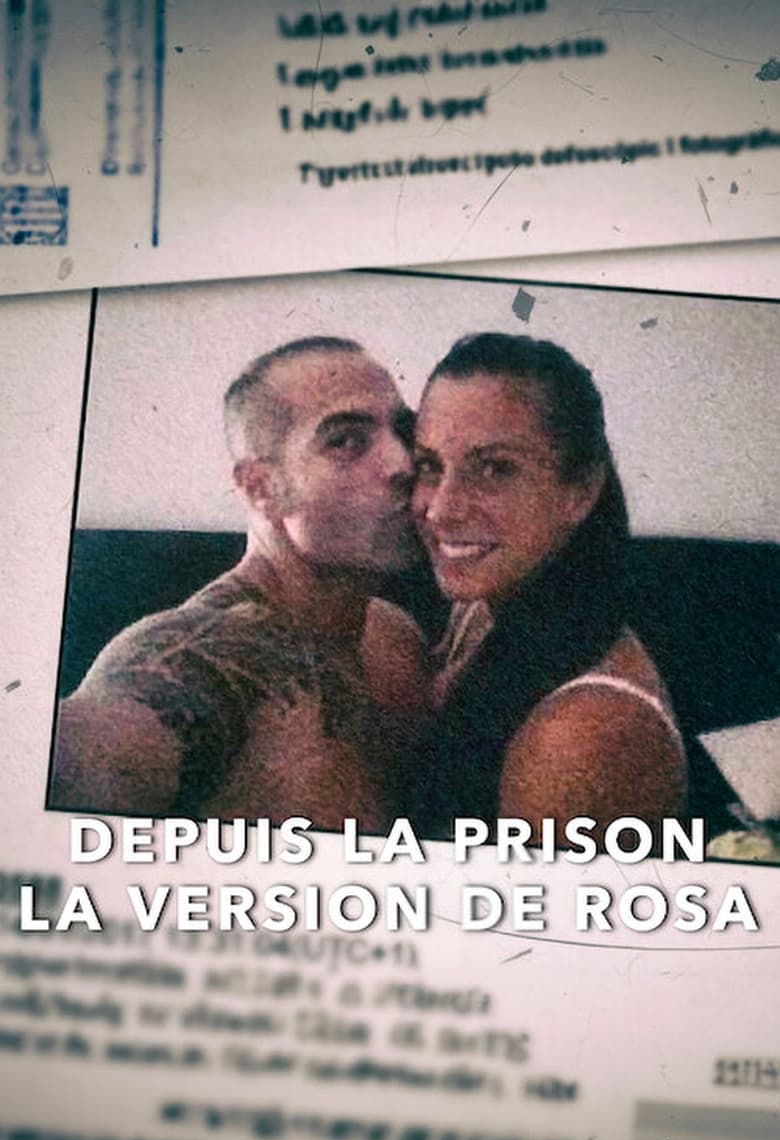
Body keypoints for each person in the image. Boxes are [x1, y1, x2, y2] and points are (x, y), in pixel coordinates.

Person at [50, 337, 427, 828]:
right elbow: (98, 744)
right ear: (261, 487)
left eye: (403, 430)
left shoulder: (394, 634)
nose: (402, 464)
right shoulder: (207, 650)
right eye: (346, 441)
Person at [411, 333, 686, 842]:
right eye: (430, 465)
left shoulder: (582, 735)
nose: (441, 509)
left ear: (581, 491)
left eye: (493, 468)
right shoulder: (481, 609)